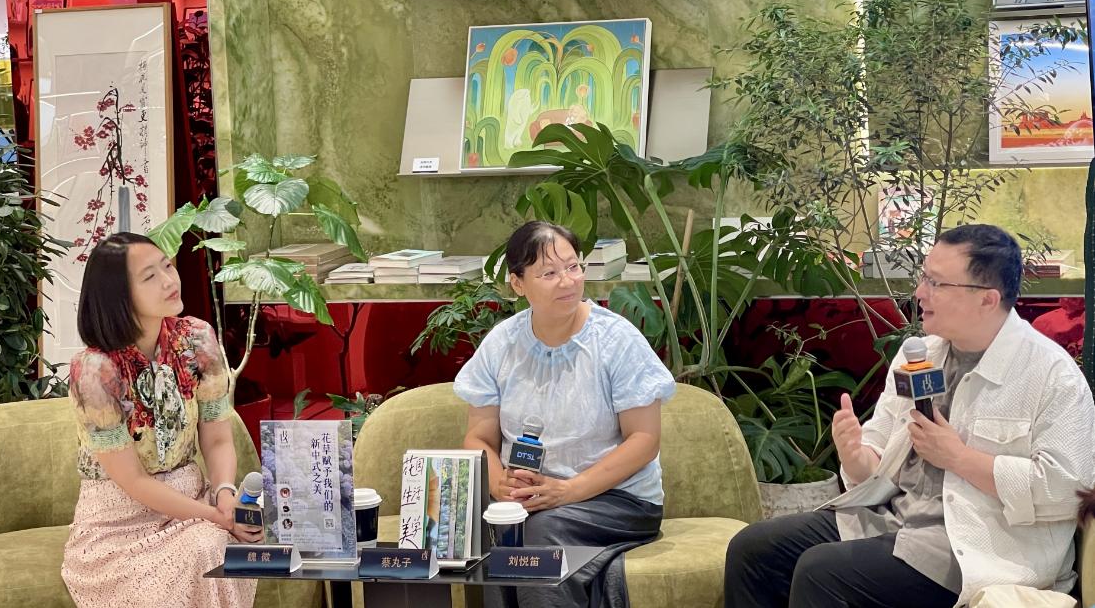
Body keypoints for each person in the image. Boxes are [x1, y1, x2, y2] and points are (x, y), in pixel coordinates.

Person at [724, 224, 1095, 607]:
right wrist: (855, 456)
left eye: (936, 283)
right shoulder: (919, 356)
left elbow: (1068, 492)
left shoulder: (1051, 375)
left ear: (987, 299)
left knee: (823, 572)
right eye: (923, 277)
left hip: (977, 545)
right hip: (894, 519)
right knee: (753, 550)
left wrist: (961, 458)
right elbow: (875, 458)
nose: (919, 293)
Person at [454, 221, 676, 608]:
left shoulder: (616, 340)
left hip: (616, 500)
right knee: (499, 527)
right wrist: (501, 485)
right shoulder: (502, 344)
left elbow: (645, 440)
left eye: (573, 267)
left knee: (541, 531)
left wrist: (568, 491)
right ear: (518, 283)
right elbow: (478, 439)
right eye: (549, 273)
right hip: (531, 499)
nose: (568, 281)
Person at [61, 232, 259, 607]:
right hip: (118, 521)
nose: (169, 280)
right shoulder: (95, 370)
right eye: (150, 276)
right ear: (119, 296)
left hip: (196, 499)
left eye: (167, 266)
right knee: (209, 544)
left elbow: (217, 438)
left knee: (218, 543)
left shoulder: (197, 340)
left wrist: (224, 494)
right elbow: (133, 480)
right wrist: (215, 517)